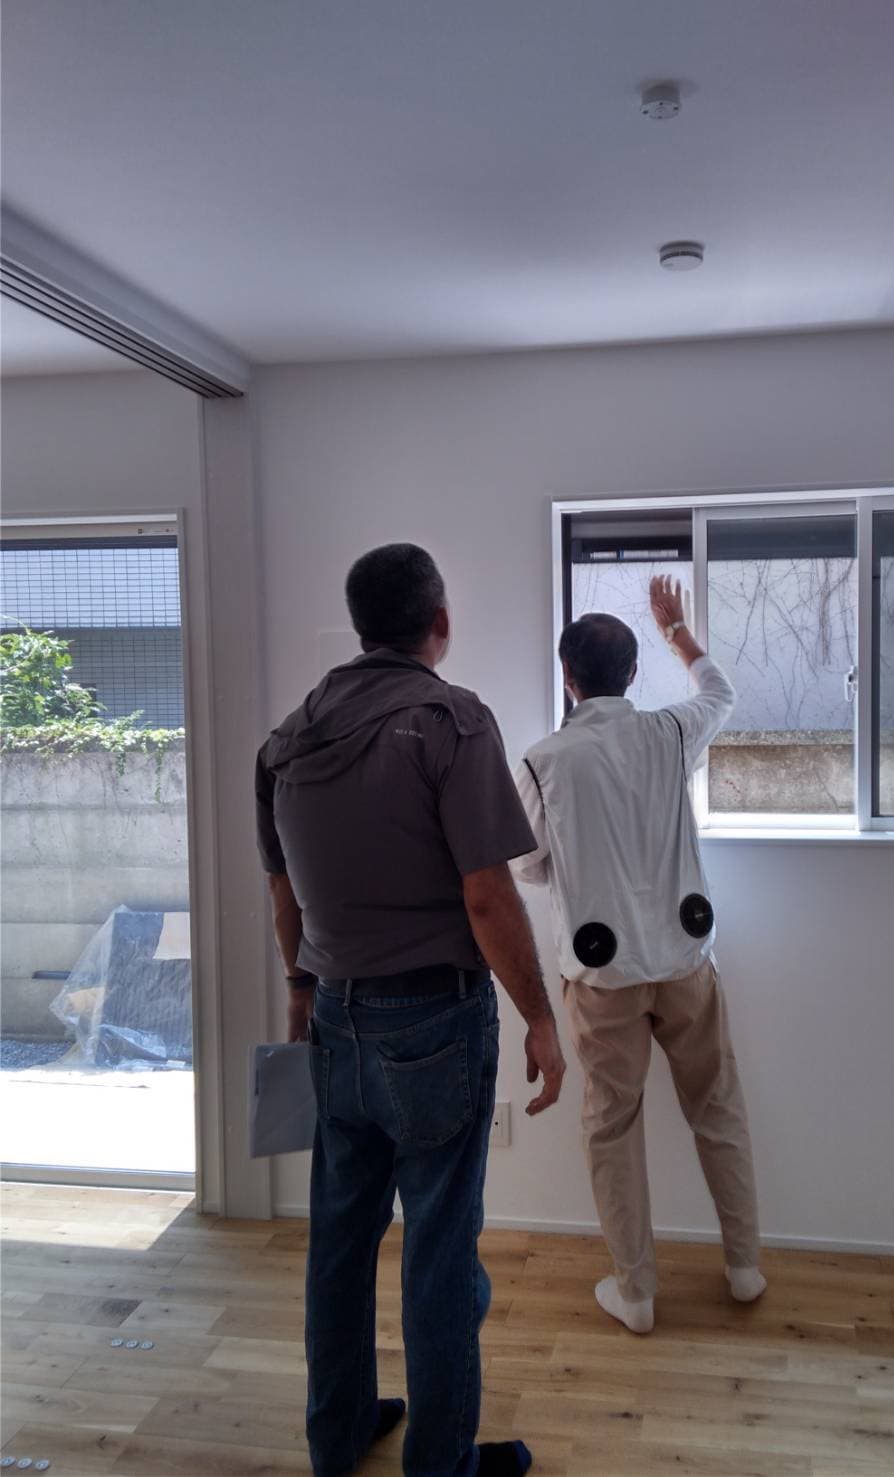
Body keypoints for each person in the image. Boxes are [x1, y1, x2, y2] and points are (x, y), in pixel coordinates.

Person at [256, 543, 565, 1477]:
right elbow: (488, 896)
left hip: (334, 1019)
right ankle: (441, 1464)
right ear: (440, 622)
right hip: (433, 1023)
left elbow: (284, 893)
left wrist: (300, 990)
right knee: (439, 1252)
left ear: (361, 627)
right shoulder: (452, 720)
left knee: (339, 1243)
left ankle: (339, 1430)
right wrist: (541, 1017)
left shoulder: (286, 740)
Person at [512, 575, 764, 1336]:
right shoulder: (671, 733)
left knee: (612, 1125)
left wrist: (579, 864)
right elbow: (720, 693)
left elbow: (525, 864)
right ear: (630, 673)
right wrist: (677, 631)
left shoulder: (544, 759)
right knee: (716, 1106)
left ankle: (637, 1293)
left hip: (603, 977)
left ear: (568, 675)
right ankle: (745, 1267)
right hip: (685, 960)